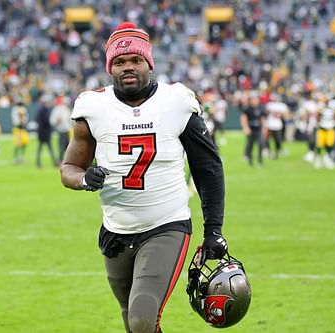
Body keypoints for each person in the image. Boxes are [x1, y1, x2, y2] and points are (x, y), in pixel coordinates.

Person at [60, 22, 227, 333]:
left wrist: (213, 229)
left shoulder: (176, 101)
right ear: (110, 68)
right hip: (116, 229)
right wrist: (85, 179)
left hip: (166, 225)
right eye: (120, 62)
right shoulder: (93, 106)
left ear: (149, 63)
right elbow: (69, 168)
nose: (128, 67)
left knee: (141, 319)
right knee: (132, 319)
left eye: (135, 60)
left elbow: (208, 168)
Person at [49, 95, 73, 162]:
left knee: (67, 146)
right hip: (61, 130)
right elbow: (53, 121)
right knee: (62, 147)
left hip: (67, 130)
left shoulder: (66, 109)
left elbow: (70, 120)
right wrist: (57, 121)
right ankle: (61, 160)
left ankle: (66, 160)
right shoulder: (58, 109)